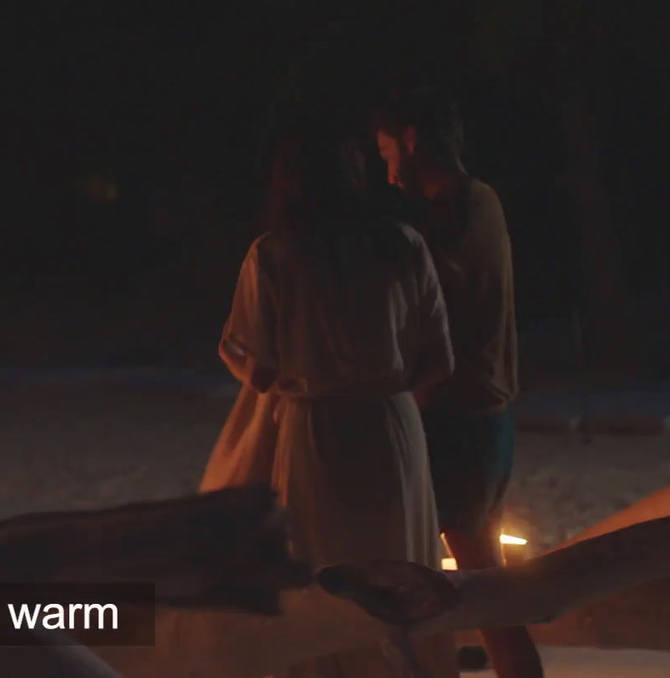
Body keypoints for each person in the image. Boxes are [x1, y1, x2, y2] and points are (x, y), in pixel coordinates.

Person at [201, 119, 458, 678]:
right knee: (397, 572)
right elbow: (440, 360)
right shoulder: (402, 246)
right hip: (391, 426)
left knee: (320, 571)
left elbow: (252, 362)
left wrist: (291, 373)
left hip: (316, 430)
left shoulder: (275, 254)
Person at [371, 87, 544, 678]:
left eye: (388, 151)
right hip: (482, 422)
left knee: (435, 584)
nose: (389, 173)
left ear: (413, 140)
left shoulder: (456, 215)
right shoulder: (479, 204)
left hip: (461, 423)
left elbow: (430, 307)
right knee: (480, 585)